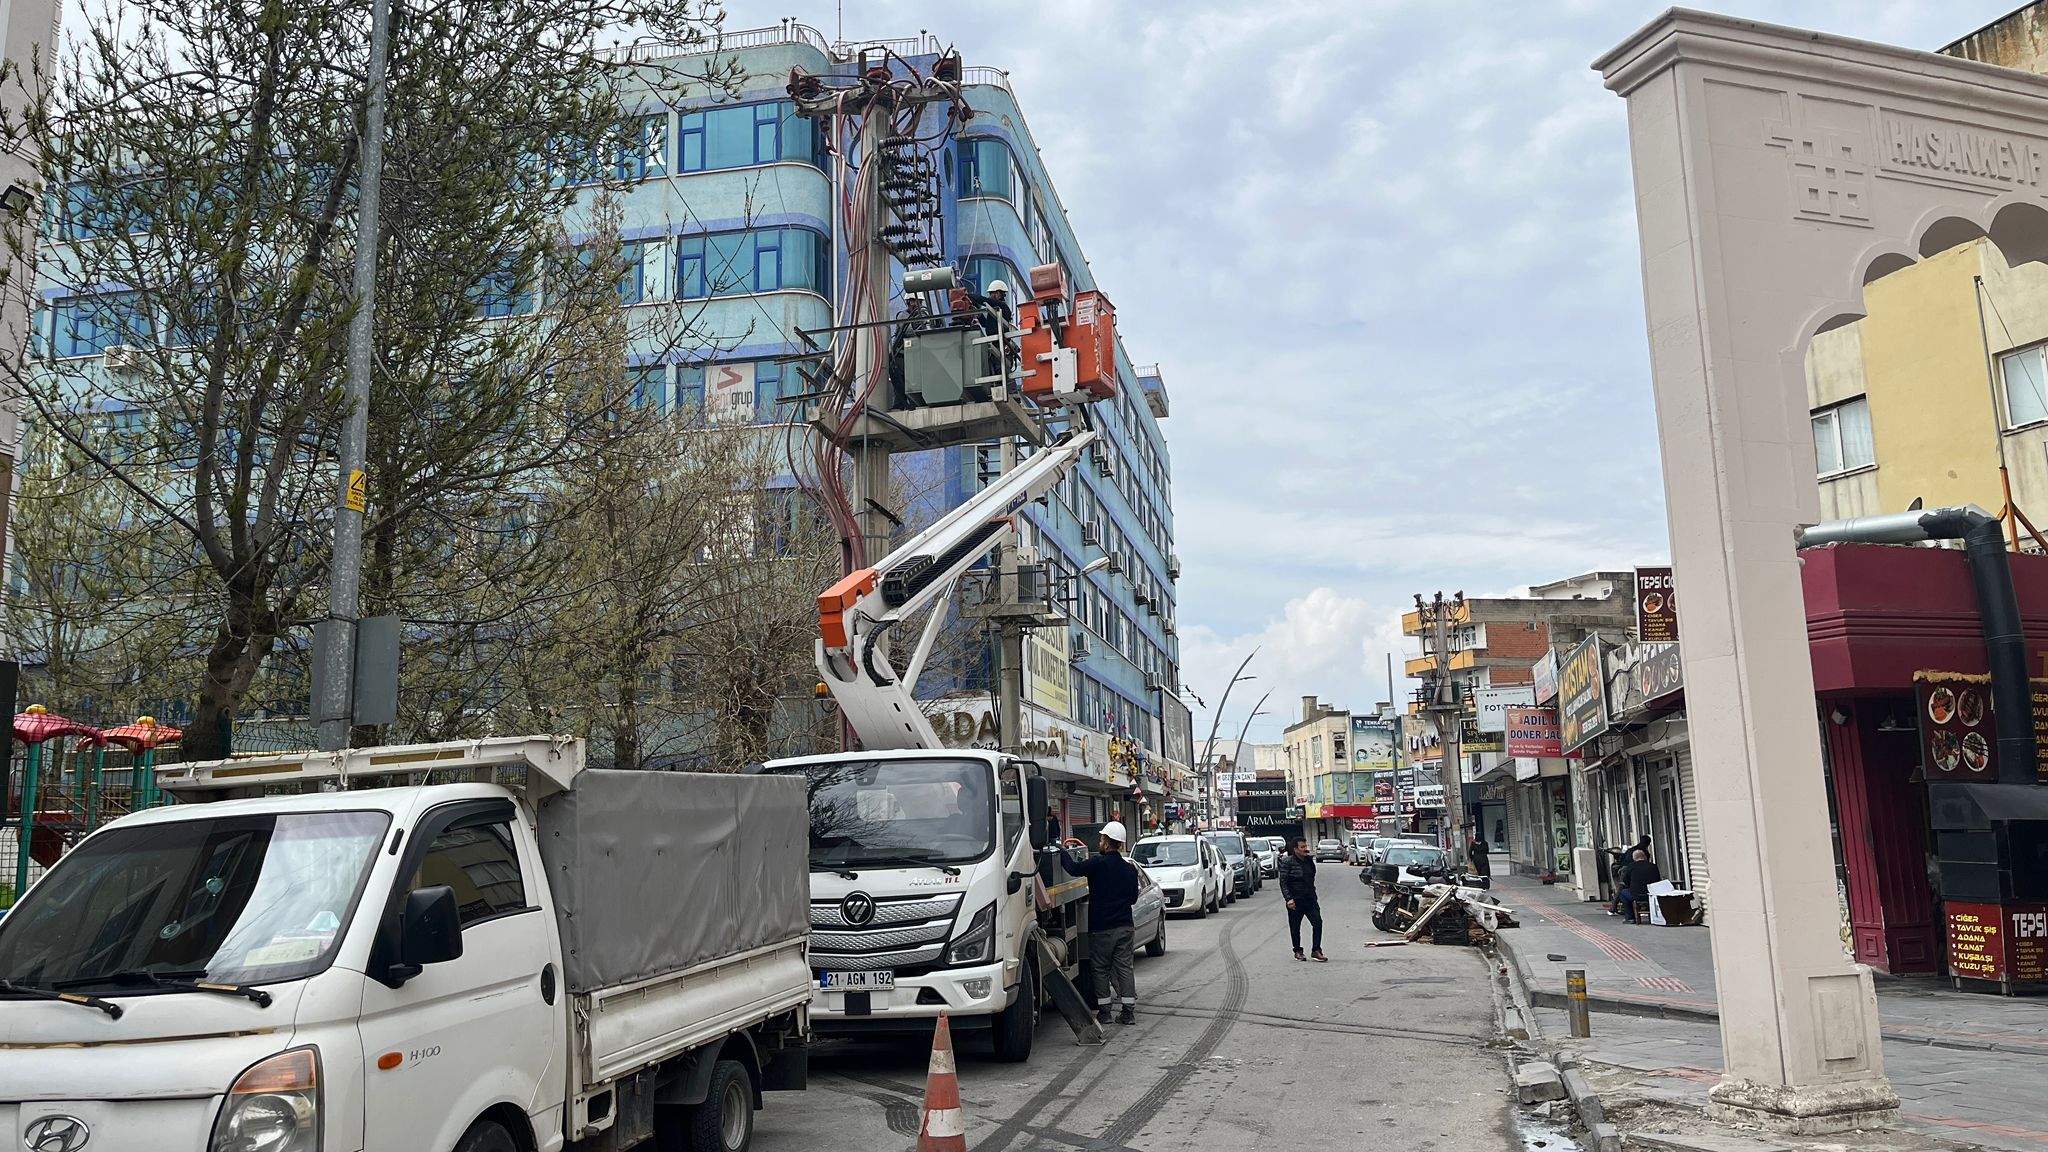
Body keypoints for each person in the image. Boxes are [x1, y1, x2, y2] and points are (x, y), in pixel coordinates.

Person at [1052, 820, 1141, 1024]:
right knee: (1125, 968)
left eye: (1102, 839)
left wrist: (1061, 850)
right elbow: (1133, 899)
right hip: (1125, 926)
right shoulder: (1129, 870)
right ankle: (1128, 1012)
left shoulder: (1096, 865)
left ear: (1108, 842)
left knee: (1100, 968)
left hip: (1102, 928)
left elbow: (1073, 869)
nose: (1099, 841)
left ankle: (1105, 1012)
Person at [1277, 837, 1326, 962]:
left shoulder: (1309, 861)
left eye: (1306, 846)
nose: (1305, 849)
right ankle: (1298, 951)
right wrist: (1289, 899)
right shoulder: (1287, 862)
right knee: (1295, 927)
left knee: (1317, 922)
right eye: (1302, 847)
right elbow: (1283, 882)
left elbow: (1312, 877)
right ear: (1295, 849)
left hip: (1310, 899)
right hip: (1295, 900)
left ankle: (1316, 950)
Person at [1616, 848, 1663, 925]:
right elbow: (1657, 879)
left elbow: (1625, 881)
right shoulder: (1653, 866)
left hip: (1636, 894)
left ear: (1634, 858)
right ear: (1644, 856)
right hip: (1652, 893)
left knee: (1623, 893)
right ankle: (1654, 914)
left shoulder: (1631, 866)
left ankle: (1630, 917)